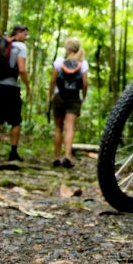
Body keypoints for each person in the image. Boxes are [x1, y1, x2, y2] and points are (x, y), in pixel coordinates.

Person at [0, 25, 30, 162]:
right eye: (25, 35)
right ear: (18, 33)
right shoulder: (20, 48)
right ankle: (13, 152)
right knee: (15, 120)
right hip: (11, 87)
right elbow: (21, 69)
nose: (25, 38)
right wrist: (27, 85)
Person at [48, 36, 89, 167]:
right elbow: (85, 84)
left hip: (59, 96)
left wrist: (50, 96)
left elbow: (53, 80)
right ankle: (67, 157)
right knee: (70, 127)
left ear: (67, 48)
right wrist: (83, 96)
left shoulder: (60, 61)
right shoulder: (82, 63)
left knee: (58, 128)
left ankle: (56, 157)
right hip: (74, 97)